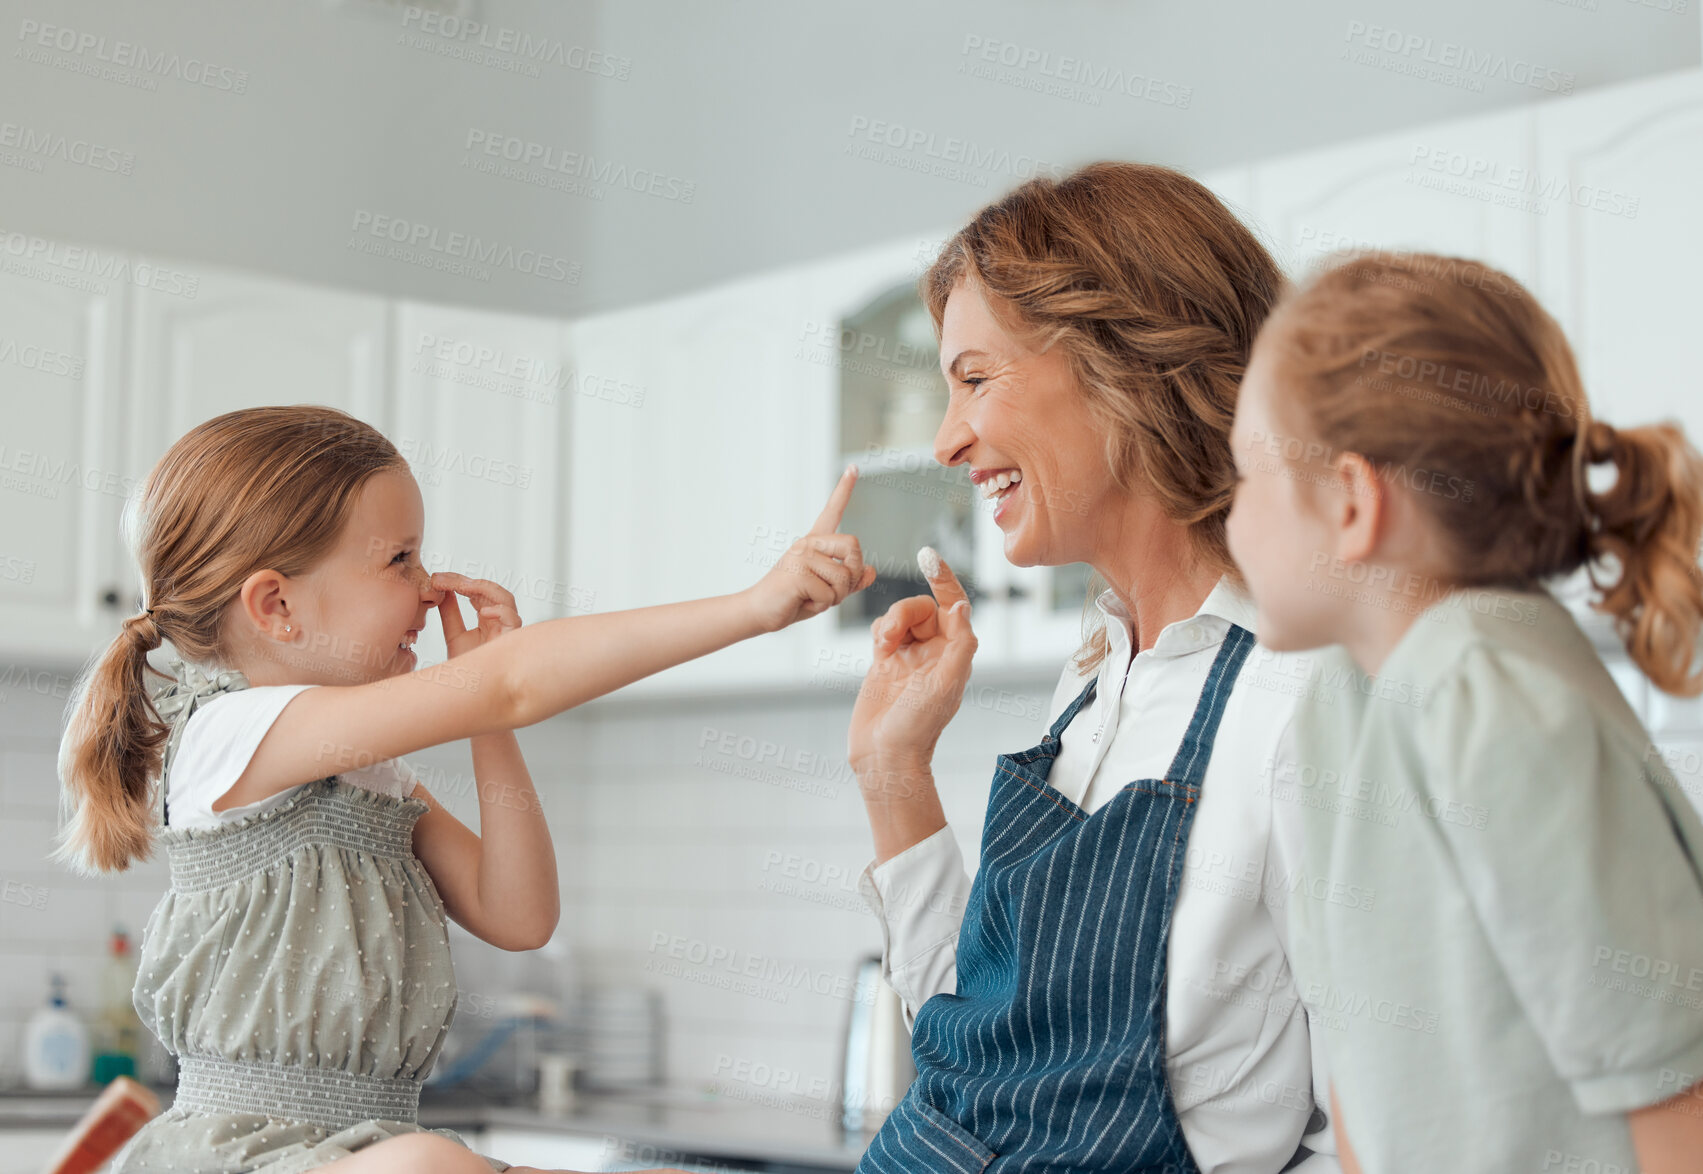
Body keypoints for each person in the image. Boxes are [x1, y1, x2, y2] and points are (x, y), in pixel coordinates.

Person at [57, 405, 873, 1174]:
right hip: (247, 1155)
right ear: (276, 605)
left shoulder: (364, 773)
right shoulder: (229, 735)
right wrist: (753, 608)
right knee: (428, 1163)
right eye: (398, 559)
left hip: (368, 1141)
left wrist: (487, 715)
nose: (427, 585)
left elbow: (517, 914)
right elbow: (516, 683)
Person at [844, 161, 1351, 1171]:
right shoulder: (1089, 687)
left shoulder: (1303, 696)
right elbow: (984, 1059)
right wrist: (891, 774)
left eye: (974, 378)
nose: (948, 440)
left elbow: (1368, 1126)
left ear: (1124, 362)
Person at [1224, 249, 1703, 1172]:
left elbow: (1669, 1078)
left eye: (1247, 473)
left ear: (1352, 503)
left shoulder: (1485, 692)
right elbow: (1361, 1070)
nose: (1228, 511)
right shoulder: (1341, 704)